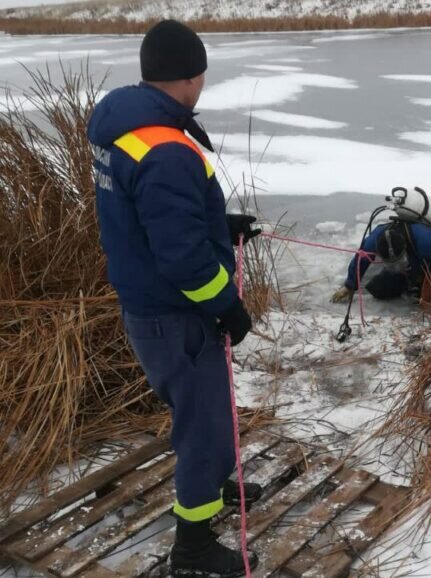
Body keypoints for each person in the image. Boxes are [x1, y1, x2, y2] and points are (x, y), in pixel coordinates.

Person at [88, 20, 260, 577]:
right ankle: (193, 544)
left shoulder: (129, 125)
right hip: (174, 313)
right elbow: (183, 258)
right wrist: (225, 306)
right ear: (191, 76)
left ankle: (215, 484)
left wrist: (217, 221)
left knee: (204, 410)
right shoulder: (164, 150)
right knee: (204, 424)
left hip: (152, 303)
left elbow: (150, 216)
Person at [331, 219, 431, 309]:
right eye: (391, 264)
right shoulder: (375, 238)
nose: (396, 267)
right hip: (409, 262)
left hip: (423, 258)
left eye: (399, 262)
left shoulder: (426, 242)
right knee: (378, 288)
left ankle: (426, 283)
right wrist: (350, 285)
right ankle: (408, 283)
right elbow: (361, 259)